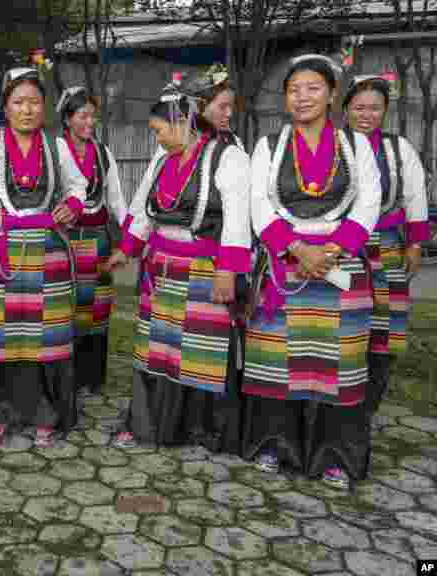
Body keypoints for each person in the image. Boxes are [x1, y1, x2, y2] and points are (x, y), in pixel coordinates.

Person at [242, 55, 381, 490]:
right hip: (286, 265)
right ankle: (273, 445)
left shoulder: (356, 145)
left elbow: (370, 202)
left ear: (332, 95)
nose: (302, 97)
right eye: (294, 90)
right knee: (275, 361)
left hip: (342, 266)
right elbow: (259, 206)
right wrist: (299, 249)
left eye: (313, 88)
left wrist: (334, 250)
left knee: (337, 366)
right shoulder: (268, 146)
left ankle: (335, 457)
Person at [105, 77, 251, 453]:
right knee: (157, 350)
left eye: (159, 131)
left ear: (182, 120)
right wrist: (127, 249)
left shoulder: (227, 156)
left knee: (202, 353)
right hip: (161, 271)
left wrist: (228, 271)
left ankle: (203, 431)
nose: (156, 139)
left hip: (204, 271)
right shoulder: (161, 160)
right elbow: (143, 209)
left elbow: (237, 218)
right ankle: (149, 423)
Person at [0, 67, 87, 448]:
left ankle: (45, 413)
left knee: (43, 342)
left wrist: (74, 203)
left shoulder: (56, 147)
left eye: (33, 102)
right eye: (18, 102)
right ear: (6, 107)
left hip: (48, 258)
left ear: (44, 107)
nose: (27, 110)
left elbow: (78, 183)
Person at [342, 74, 429, 411]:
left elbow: (415, 195)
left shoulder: (398, 148)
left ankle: (370, 398)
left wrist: (416, 244)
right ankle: (340, 393)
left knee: (384, 320)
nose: (366, 115)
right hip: (345, 246)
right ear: (346, 108)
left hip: (387, 246)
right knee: (345, 318)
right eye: (359, 107)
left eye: (375, 108)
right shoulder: (334, 144)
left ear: (386, 110)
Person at [54, 86, 126, 397]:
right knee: (69, 308)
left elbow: (117, 201)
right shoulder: (56, 150)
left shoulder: (103, 153)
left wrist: (134, 238)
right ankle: (67, 376)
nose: (89, 122)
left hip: (98, 241)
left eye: (92, 117)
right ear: (68, 118)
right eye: (82, 115)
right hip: (68, 242)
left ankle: (92, 378)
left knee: (98, 311)